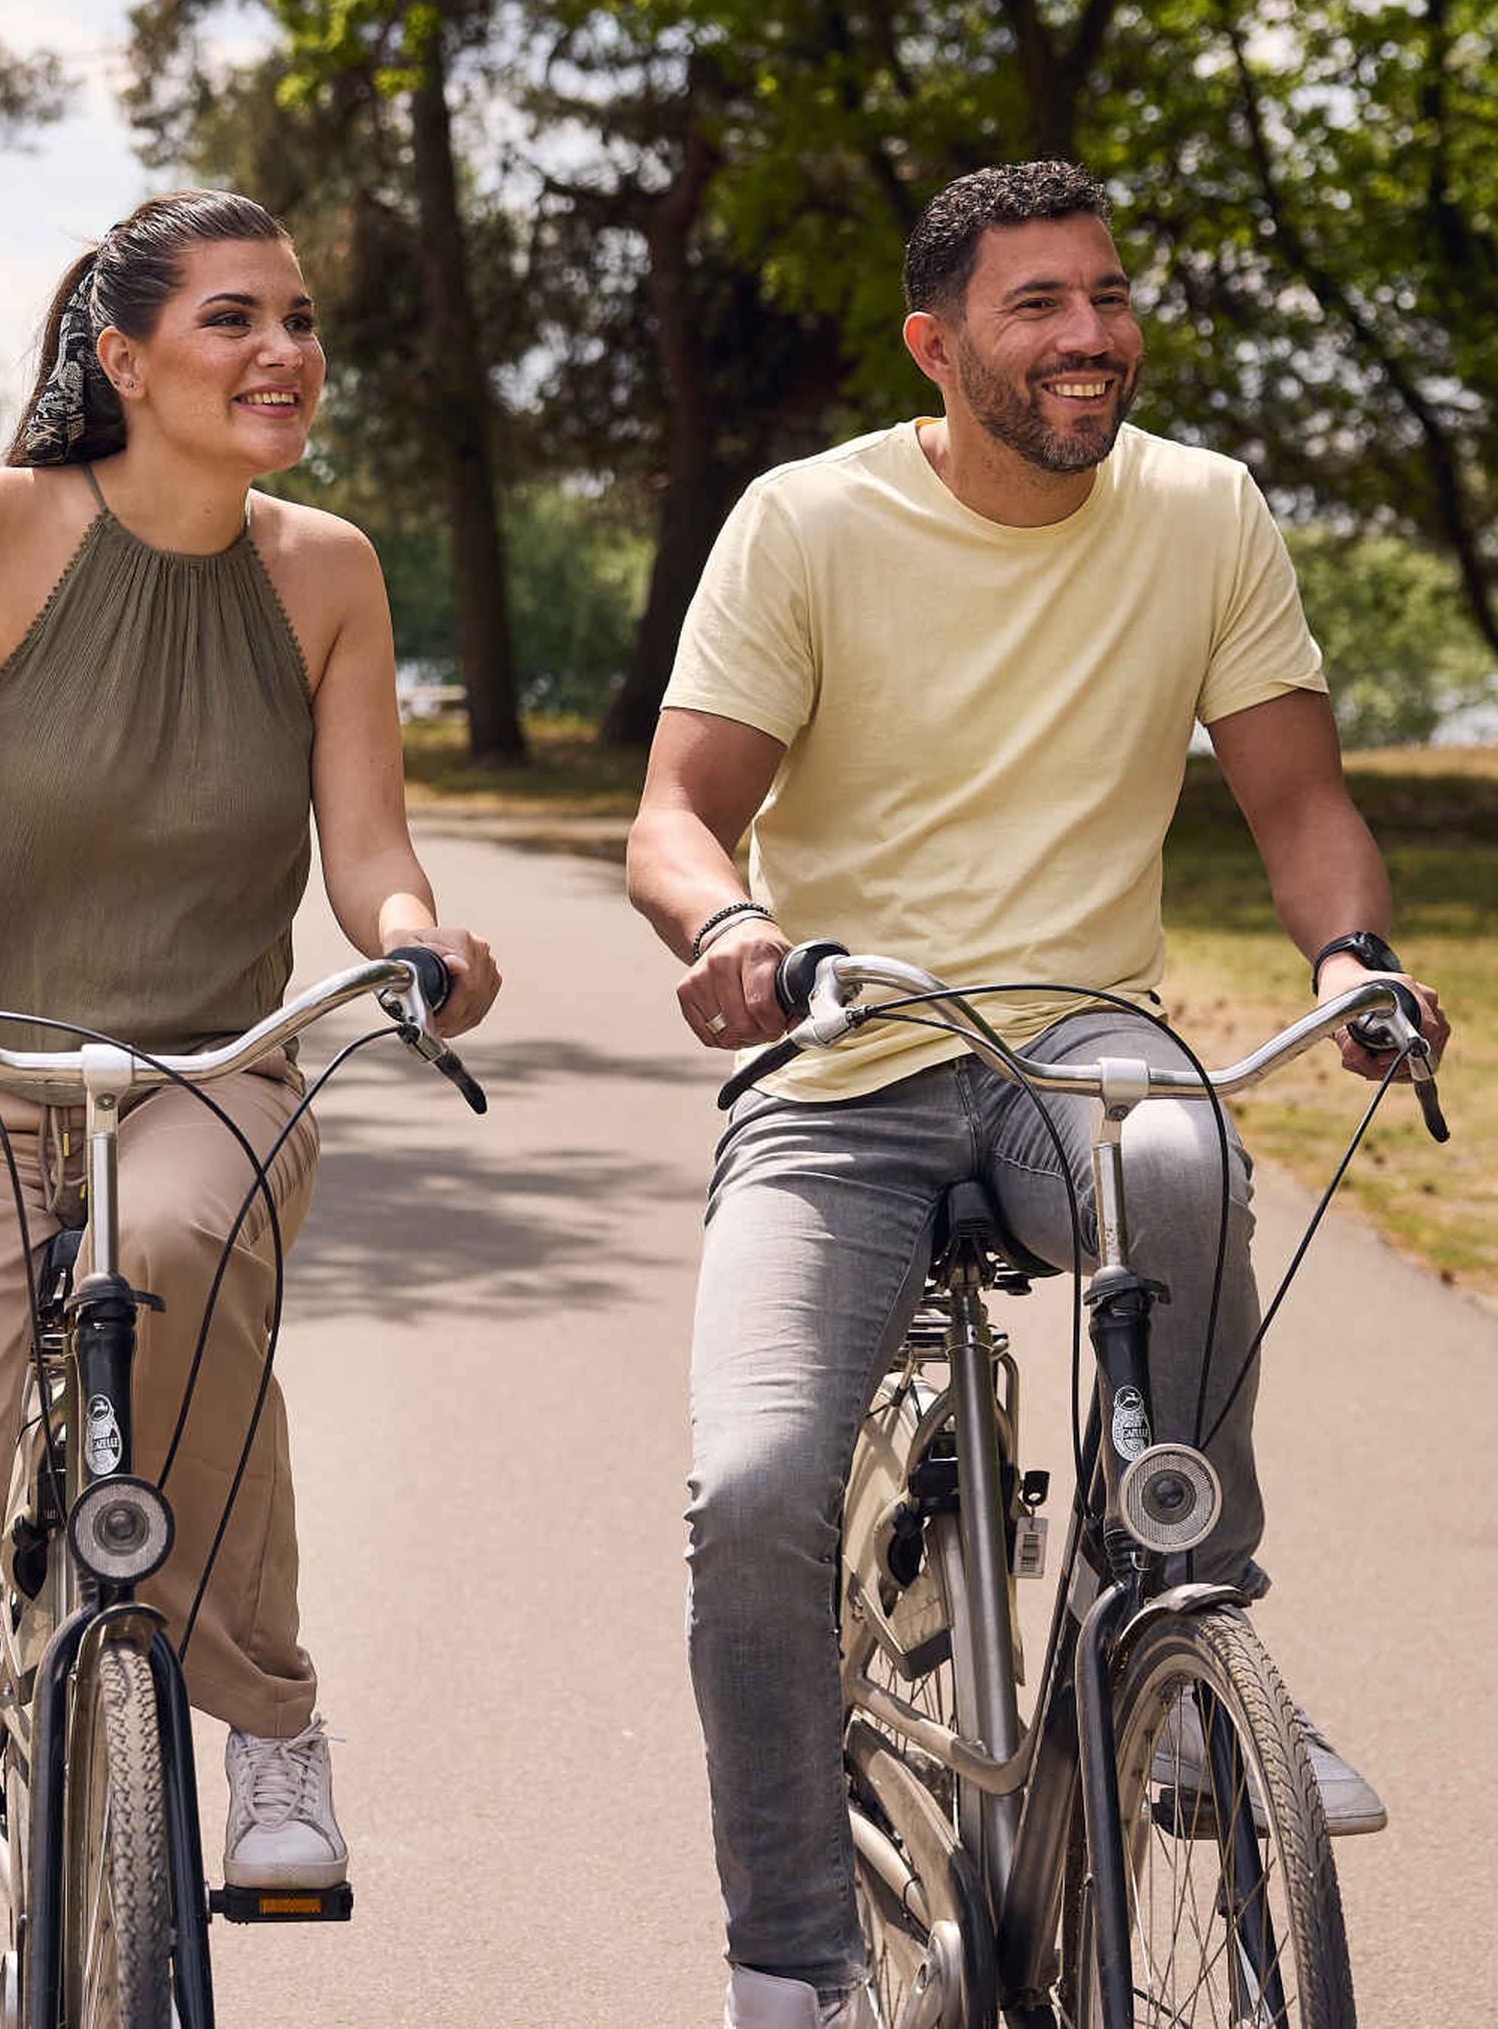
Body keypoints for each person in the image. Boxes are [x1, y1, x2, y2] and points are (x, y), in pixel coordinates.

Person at [622, 161, 1451, 2029]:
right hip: (843, 1057)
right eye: (1038, 305)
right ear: (939, 345)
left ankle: (1177, 1644)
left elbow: (1298, 801)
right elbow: (678, 810)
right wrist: (742, 925)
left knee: (1182, 1150)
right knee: (754, 1492)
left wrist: (1351, 963)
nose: (1091, 335)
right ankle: (795, 1966)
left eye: (1106, 293)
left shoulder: (1206, 512)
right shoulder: (805, 524)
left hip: (1077, 1037)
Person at [0, 190, 503, 2029]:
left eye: (299, 319)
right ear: (123, 358)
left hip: (214, 1068)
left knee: (174, 1238)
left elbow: (369, 850)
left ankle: (269, 1717)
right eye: (235, 320)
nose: (284, 351)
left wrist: (416, 939)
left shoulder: (330, 573)